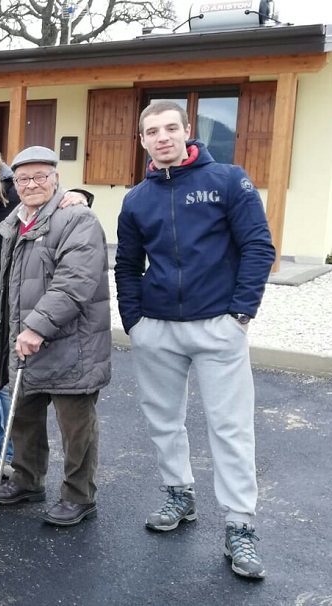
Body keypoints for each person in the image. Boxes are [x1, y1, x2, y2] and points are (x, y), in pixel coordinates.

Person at [114, 100, 275, 579]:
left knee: (230, 428)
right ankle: (179, 495)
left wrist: (241, 314)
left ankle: (240, 526)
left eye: (170, 128)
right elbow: (126, 263)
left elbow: (258, 246)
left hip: (217, 327)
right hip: (156, 329)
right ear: (142, 141)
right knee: (164, 421)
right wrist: (135, 320)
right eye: (151, 131)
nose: (161, 137)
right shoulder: (136, 198)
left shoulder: (227, 180)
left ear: (188, 130)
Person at [0, 145, 110, 528]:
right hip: (26, 340)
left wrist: (37, 326)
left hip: (70, 341)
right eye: (23, 178)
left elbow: (75, 282)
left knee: (76, 427)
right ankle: (27, 480)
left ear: (56, 179)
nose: (31, 184)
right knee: (23, 417)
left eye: (41, 176)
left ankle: (79, 496)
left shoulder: (77, 218)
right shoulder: (16, 221)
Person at [0, 137, 90, 479]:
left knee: (9, 386)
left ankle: (14, 455)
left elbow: (47, 200)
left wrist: (79, 195)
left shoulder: (13, 194)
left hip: (12, 306)